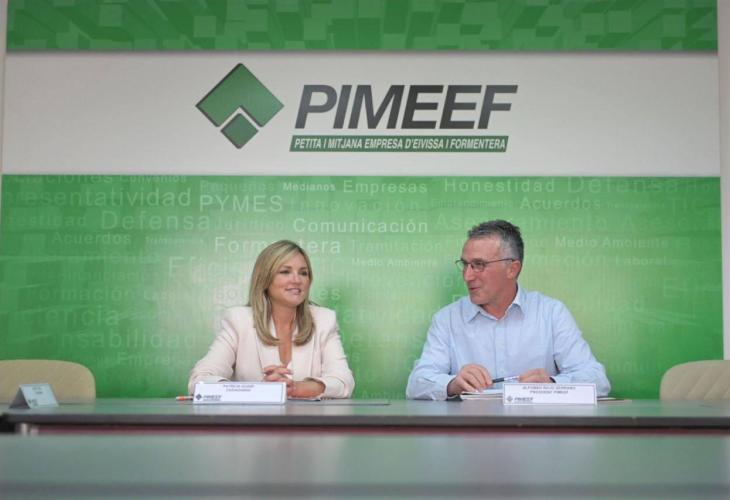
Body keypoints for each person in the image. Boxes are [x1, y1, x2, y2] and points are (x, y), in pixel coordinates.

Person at [406, 220, 610, 400]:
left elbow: (598, 380)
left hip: (535, 429)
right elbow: (416, 383)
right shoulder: (448, 318)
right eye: (465, 264)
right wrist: (452, 384)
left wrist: (552, 384)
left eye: (478, 265)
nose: (467, 276)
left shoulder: (551, 313)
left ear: (512, 269)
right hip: (472, 429)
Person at [188, 240, 354, 399]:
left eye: (303, 273)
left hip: (308, 419)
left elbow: (344, 382)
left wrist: (296, 388)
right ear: (265, 279)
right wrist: (258, 391)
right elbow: (199, 381)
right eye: (285, 272)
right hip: (253, 419)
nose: (297, 280)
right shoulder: (239, 321)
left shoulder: (323, 319)